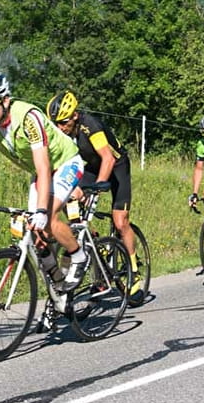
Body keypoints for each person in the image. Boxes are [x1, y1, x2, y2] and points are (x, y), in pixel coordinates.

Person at [0, 73, 87, 293]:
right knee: (34, 231)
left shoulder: (28, 117)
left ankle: (79, 256)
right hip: (41, 171)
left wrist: (42, 211)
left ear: (5, 101)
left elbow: (44, 167)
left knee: (48, 217)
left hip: (64, 163)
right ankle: (59, 287)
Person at [46, 89, 143, 300]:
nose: (60, 127)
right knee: (71, 203)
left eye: (63, 122)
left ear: (74, 115)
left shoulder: (91, 126)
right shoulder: (62, 133)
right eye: (56, 123)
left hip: (116, 166)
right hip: (91, 166)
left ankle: (134, 270)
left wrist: (97, 188)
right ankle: (95, 243)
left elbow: (107, 158)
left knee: (120, 221)